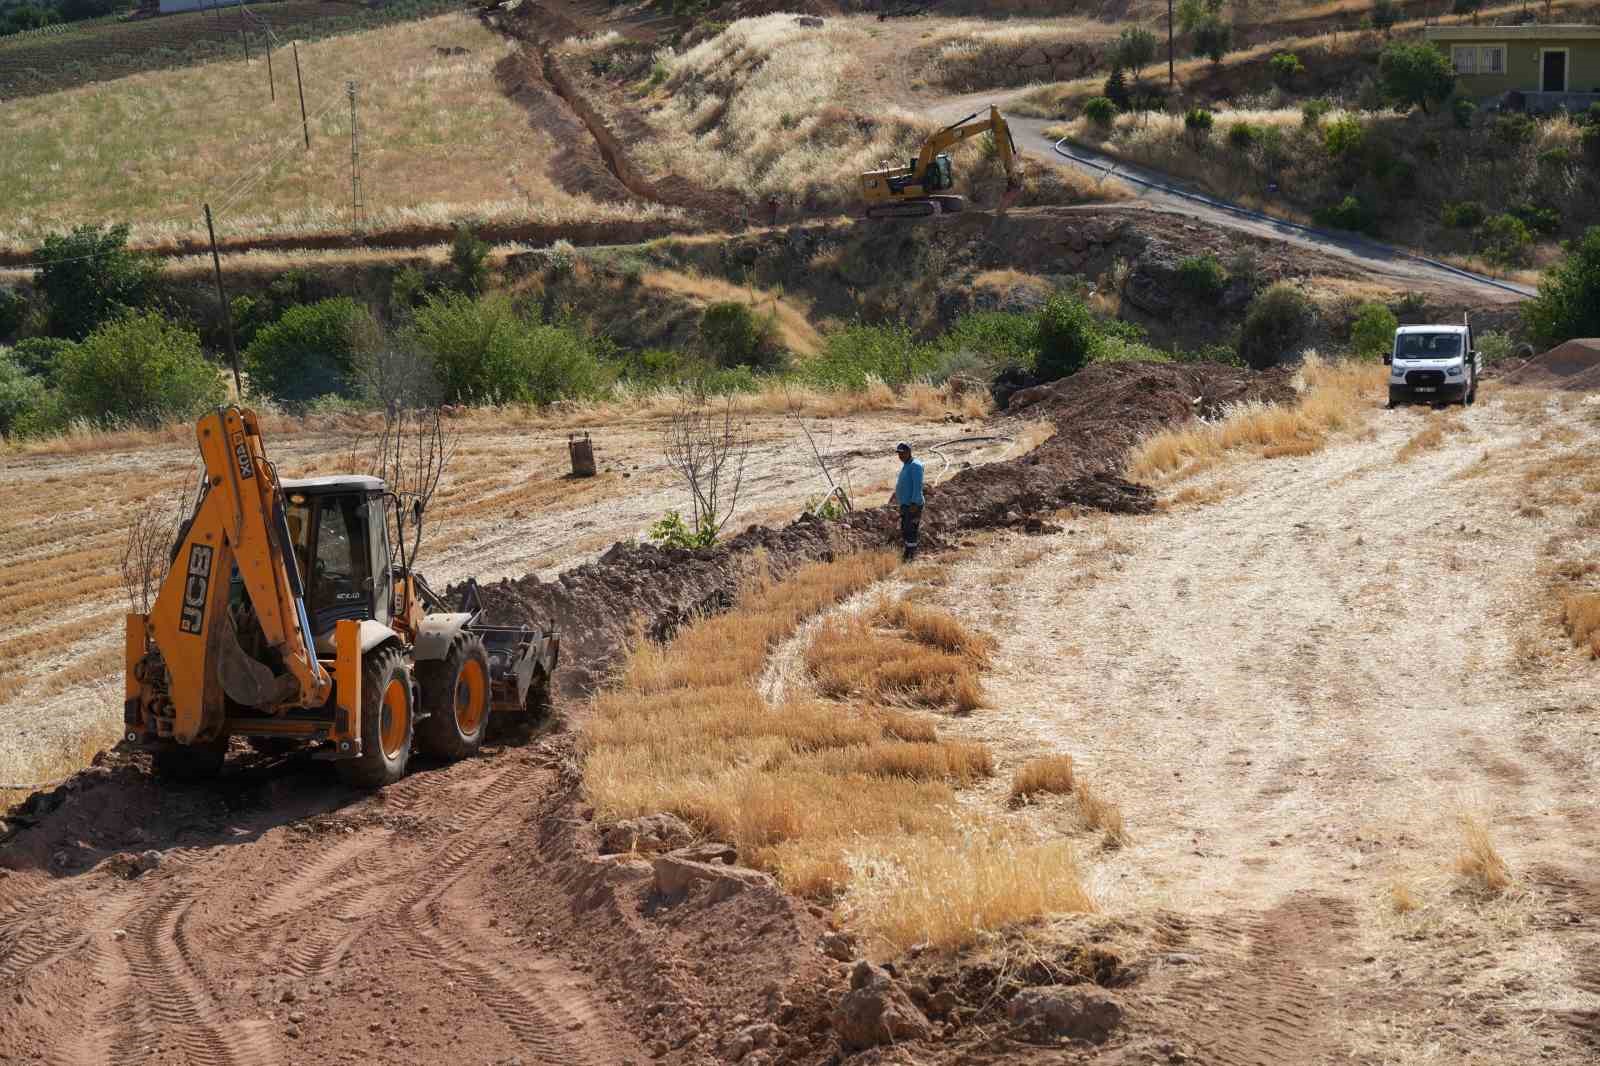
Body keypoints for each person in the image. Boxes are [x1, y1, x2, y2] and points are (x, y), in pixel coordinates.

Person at [888, 441, 924, 561]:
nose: (900, 456)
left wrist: (914, 503)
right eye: (899, 453)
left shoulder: (915, 466)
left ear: (909, 452)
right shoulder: (907, 464)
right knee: (905, 529)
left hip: (913, 505)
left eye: (902, 453)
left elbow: (917, 486)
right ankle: (908, 552)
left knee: (911, 530)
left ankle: (911, 556)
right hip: (906, 505)